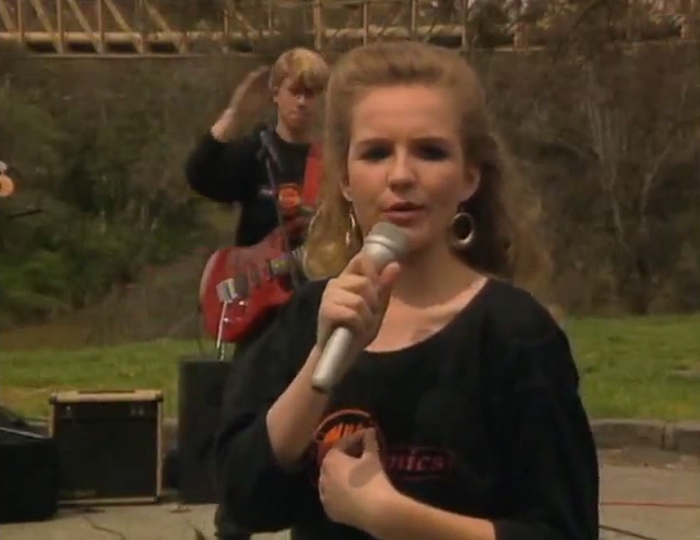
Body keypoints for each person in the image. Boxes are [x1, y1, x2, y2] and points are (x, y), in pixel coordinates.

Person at [214, 41, 600, 540]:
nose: (401, 176)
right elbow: (244, 501)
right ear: (345, 179)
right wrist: (320, 367)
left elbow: (564, 529)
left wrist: (392, 518)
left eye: (430, 152)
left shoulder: (514, 333)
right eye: (376, 153)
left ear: (468, 177)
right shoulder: (310, 313)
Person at [184, 48, 329, 540]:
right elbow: (201, 175)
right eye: (296, 92)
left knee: (317, 417)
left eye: (313, 94)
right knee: (246, 411)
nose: (304, 103)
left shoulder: (331, 161)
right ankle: (234, 521)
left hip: (315, 304)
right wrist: (232, 117)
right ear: (277, 94)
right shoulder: (255, 153)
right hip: (261, 310)